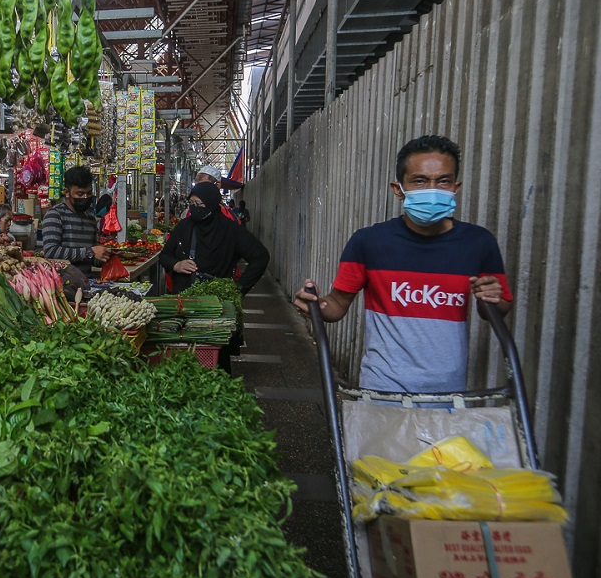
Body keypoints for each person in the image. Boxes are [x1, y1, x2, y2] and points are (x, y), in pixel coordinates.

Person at [294, 135, 513, 394]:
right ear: (398, 189)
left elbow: (498, 307)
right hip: (382, 388)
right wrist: (317, 307)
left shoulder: (479, 243)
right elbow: (339, 304)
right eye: (420, 181)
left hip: (450, 393)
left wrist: (493, 299)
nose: (432, 190)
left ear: (456, 187)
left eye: (443, 181)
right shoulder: (369, 242)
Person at [160, 182, 270, 295]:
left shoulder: (231, 230)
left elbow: (260, 256)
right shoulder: (184, 226)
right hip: (183, 300)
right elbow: (164, 255)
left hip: (217, 302)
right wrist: (176, 265)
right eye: (191, 203)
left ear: (211, 203)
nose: (194, 207)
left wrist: (238, 291)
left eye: (198, 203)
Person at [42, 166, 111, 276]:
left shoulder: (90, 218)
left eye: (88, 193)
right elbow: (51, 252)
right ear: (67, 192)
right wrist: (90, 252)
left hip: (85, 282)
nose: (85, 197)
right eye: (80, 194)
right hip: (62, 284)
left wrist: (105, 255)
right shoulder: (55, 215)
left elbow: (91, 258)